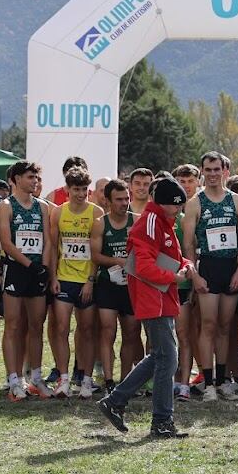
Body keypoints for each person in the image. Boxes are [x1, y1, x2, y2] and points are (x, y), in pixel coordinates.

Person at [96, 177, 195, 438]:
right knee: (168, 358)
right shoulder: (150, 223)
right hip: (154, 297)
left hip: (162, 297)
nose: (179, 210)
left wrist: (185, 264)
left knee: (160, 356)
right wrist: (175, 277)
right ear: (162, 203)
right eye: (176, 206)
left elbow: (168, 256)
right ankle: (161, 421)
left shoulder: (162, 222)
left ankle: (115, 401)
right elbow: (143, 266)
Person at [183, 152, 238, 402]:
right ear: (202, 172)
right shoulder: (195, 203)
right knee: (208, 325)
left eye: (216, 169)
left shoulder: (237, 201)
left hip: (231, 268)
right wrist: (194, 274)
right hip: (207, 268)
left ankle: (222, 380)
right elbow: (188, 244)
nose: (212, 174)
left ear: (224, 171)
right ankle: (207, 381)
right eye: (207, 170)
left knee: (225, 327)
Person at [0, 160, 55, 400]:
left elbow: (48, 240)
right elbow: (6, 242)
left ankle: (36, 376)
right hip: (16, 268)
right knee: (12, 324)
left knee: (36, 325)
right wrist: (28, 264)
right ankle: (14, 379)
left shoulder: (42, 206)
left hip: (37, 270)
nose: (35, 182)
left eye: (36, 178)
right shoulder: (6, 206)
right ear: (16, 179)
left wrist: (44, 267)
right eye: (30, 177)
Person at [49, 165, 104, 398]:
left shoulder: (96, 213)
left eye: (84, 189)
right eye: (76, 189)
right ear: (67, 189)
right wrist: (53, 276)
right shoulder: (58, 213)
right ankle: (62, 379)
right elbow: (52, 247)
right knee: (61, 329)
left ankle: (86, 379)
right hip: (64, 278)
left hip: (86, 281)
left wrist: (91, 280)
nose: (81, 194)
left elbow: (96, 250)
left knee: (87, 330)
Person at [92, 178, 143, 392]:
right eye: (119, 199)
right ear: (108, 201)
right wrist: (118, 261)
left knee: (132, 332)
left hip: (132, 286)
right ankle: (109, 379)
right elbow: (95, 255)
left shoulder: (138, 221)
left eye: (126, 198)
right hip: (108, 283)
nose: (124, 203)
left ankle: (125, 379)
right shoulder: (100, 223)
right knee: (107, 330)